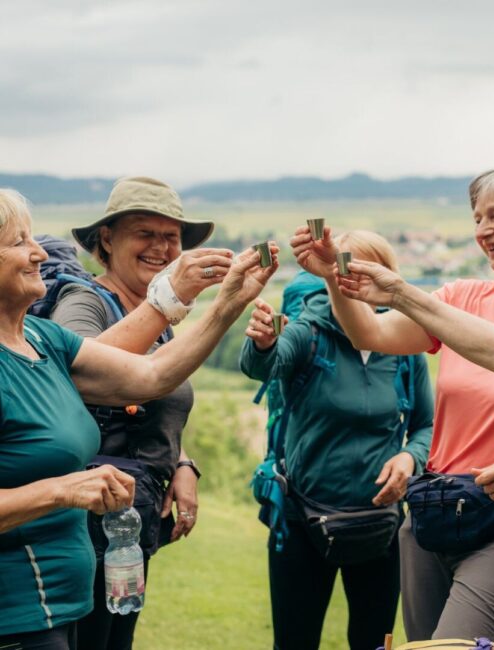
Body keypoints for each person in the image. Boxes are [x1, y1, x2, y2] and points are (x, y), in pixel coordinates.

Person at [290, 164, 494, 646]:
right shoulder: (459, 299)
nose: (483, 230)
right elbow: (371, 332)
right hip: (435, 507)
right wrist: (330, 277)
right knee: (424, 646)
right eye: (477, 219)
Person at [0, 187, 278, 649]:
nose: (40, 252)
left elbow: (151, 375)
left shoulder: (43, 339)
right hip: (17, 614)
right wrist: (62, 490)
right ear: (108, 239)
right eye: (19, 241)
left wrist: (229, 302)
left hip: (63, 605)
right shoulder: (76, 309)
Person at [49, 176, 233, 650]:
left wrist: (183, 462)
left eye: (171, 236)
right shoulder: (84, 301)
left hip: (127, 525)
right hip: (88, 523)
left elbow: (149, 397)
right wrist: (168, 301)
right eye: (145, 233)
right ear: (107, 239)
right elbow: (77, 370)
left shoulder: (152, 315)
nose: (161, 247)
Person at [240, 231, 434, 650]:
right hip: (302, 520)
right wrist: (263, 343)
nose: (356, 280)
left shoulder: (404, 347)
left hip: (380, 524)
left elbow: (427, 425)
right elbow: (264, 366)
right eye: (346, 268)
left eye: (369, 271)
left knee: (373, 642)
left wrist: (410, 458)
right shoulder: (309, 332)